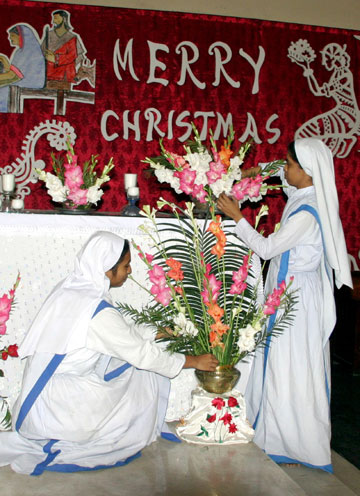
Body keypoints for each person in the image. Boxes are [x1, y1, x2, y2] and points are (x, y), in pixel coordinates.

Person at [0, 231, 218, 475]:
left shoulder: (73, 290)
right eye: (126, 266)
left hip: (39, 398)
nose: (130, 271)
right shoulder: (96, 309)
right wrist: (192, 361)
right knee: (142, 370)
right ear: (106, 269)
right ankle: (111, 430)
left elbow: (118, 332)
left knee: (132, 359)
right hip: (62, 407)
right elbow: (140, 354)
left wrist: (157, 332)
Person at [217, 138, 352, 472]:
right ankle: (275, 437)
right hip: (288, 291)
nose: (284, 169)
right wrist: (258, 171)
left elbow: (266, 248)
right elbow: (280, 169)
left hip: (297, 300)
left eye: (290, 165)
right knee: (280, 367)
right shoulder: (305, 192)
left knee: (293, 370)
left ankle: (299, 445)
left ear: (307, 172)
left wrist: (237, 217)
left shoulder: (308, 212)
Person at [0, 24, 45, 112]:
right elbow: (13, 73)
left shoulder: (30, 51)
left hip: (30, 84)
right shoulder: (19, 52)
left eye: (12, 35)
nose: (9, 38)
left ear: (21, 36)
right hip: (19, 81)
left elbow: (14, 75)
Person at [42, 10, 86, 88]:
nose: (53, 21)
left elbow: (73, 56)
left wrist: (56, 58)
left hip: (64, 77)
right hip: (49, 75)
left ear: (64, 19)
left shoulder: (71, 37)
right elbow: (42, 52)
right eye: (53, 18)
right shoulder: (49, 34)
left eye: (56, 18)